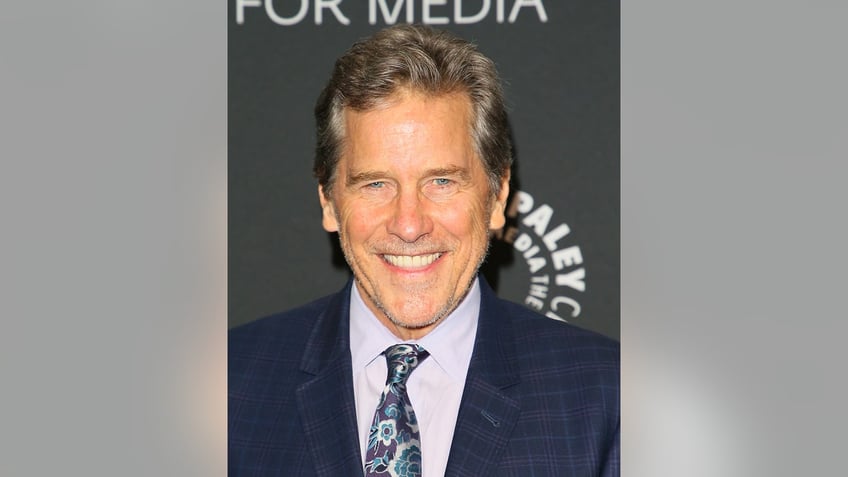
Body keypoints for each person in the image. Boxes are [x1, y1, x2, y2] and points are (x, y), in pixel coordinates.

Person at [229, 24, 619, 477]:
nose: (409, 224)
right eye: (375, 184)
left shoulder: (608, 398)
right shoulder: (225, 388)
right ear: (329, 202)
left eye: (441, 181)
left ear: (497, 197)